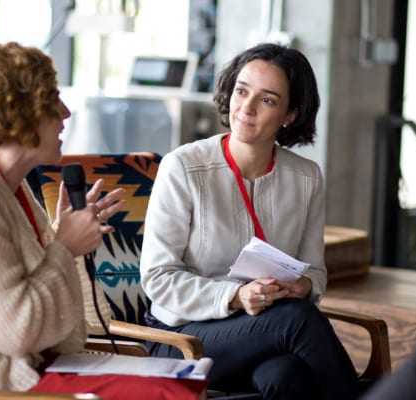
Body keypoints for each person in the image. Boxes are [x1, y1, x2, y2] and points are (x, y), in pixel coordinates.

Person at [0, 42, 205, 400]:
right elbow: (17, 332)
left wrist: (64, 244)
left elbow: (59, 327)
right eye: (52, 101)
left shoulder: (8, 184)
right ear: (19, 113)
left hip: (20, 370)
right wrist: (64, 246)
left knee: (185, 384)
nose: (65, 113)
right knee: (172, 394)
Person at [140, 43, 361, 399]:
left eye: (268, 100)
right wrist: (236, 296)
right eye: (242, 91)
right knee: (298, 320)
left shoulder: (306, 177)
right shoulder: (183, 167)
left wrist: (301, 287)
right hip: (181, 338)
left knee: (285, 375)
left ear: (290, 114)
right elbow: (158, 279)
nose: (247, 106)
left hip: (264, 331)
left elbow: (315, 273)